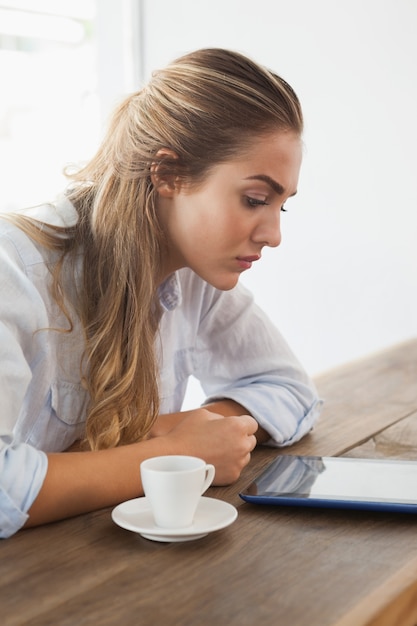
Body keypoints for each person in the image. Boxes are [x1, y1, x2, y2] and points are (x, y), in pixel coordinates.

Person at [0, 47, 322, 539]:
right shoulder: (16, 268)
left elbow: (291, 392)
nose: (273, 234)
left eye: (281, 206)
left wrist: (178, 428)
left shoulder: (194, 273)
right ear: (167, 173)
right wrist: (171, 454)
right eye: (255, 200)